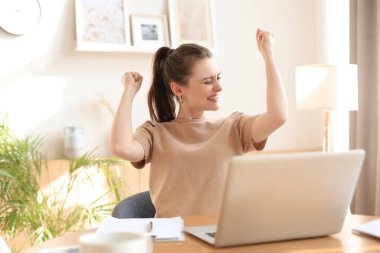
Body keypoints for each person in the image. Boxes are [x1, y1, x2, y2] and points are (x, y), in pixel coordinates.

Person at [110, 28, 288, 218]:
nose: (219, 87)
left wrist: (267, 52)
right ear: (178, 88)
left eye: (218, 78)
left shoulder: (234, 128)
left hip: (221, 241)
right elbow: (121, 147)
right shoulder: (154, 133)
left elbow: (278, 116)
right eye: (207, 81)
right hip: (173, 241)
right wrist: (129, 90)